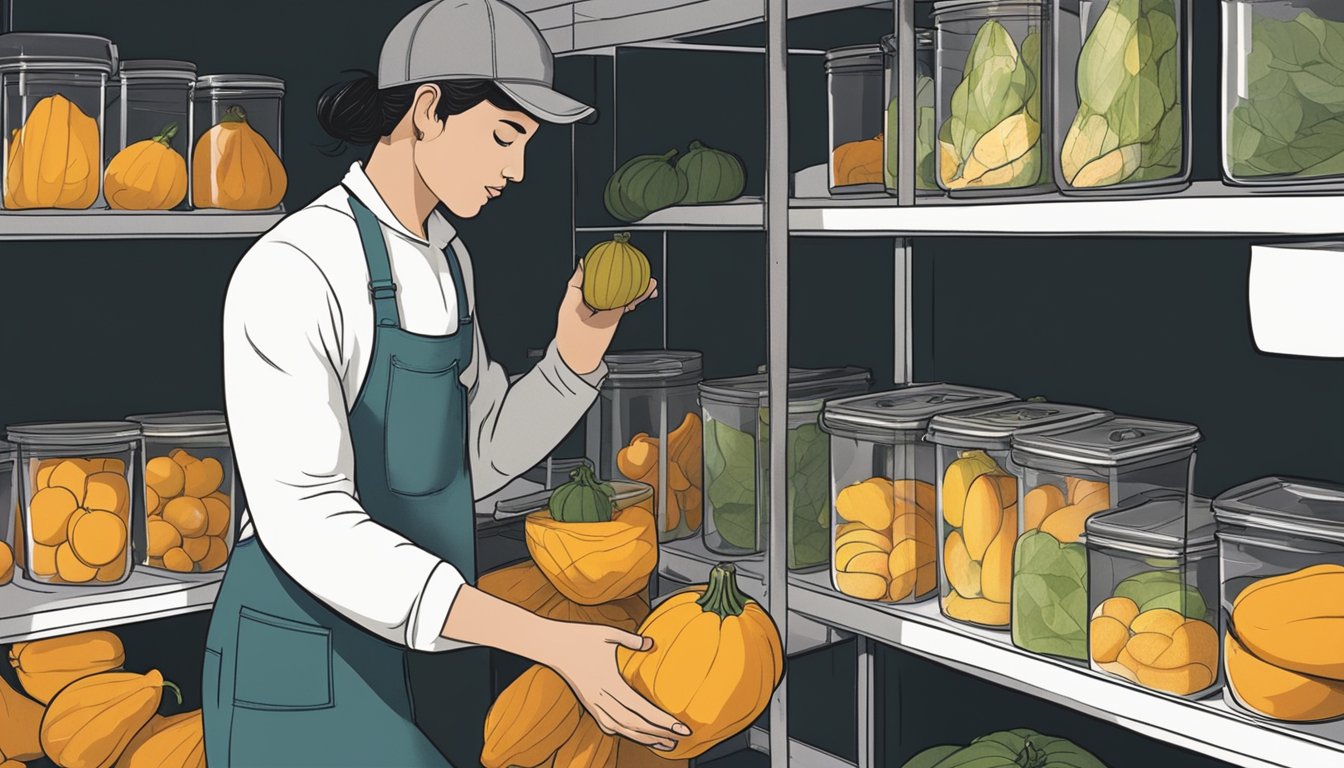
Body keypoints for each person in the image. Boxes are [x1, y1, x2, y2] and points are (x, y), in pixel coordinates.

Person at [202, 1, 685, 764]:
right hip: (304, 652)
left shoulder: (449, 262)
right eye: (505, 136)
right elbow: (307, 521)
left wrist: (576, 353)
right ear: (428, 110)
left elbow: (475, 459)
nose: (518, 171)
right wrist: (544, 640)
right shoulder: (294, 268)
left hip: (434, 646)